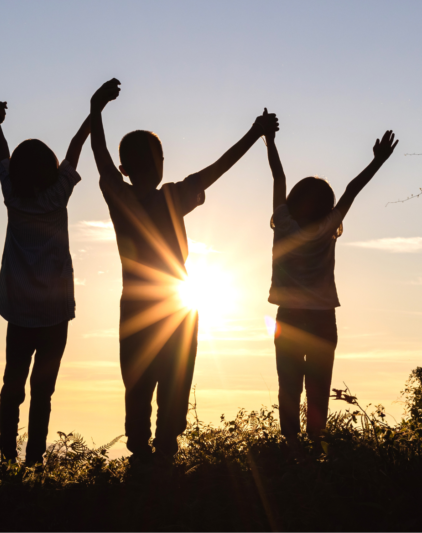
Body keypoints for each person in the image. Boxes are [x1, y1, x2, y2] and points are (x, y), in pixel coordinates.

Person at [89, 79, 278, 463]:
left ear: (125, 168)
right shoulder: (172, 197)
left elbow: (99, 153)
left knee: (138, 385)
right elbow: (220, 167)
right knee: (172, 383)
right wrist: (255, 133)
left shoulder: (120, 196)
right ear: (159, 164)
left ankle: (143, 453)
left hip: (139, 306)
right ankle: (162, 449)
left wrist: (96, 108)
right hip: (178, 305)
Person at [265, 116, 397, 443]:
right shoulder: (327, 227)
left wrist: (269, 140)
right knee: (319, 385)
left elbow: (278, 175)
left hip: (290, 315)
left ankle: (292, 445)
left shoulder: (283, 222)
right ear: (326, 205)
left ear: (294, 200)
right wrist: (377, 161)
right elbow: (353, 189)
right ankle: (315, 444)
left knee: (289, 383)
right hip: (323, 317)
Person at [0, 97, 93, 467]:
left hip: (19, 313)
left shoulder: (12, 196)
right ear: (50, 171)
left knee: (12, 386)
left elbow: (1, 152)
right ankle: (34, 460)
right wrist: (94, 112)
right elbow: (75, 150)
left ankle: (6, 458)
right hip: (54, 314)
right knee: (42, 392)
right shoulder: (57, 196)